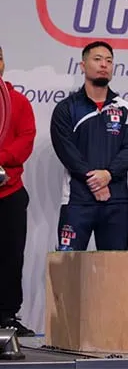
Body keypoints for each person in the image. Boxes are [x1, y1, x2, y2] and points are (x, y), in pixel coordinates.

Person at [50, 41, 128, 252]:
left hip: (115, 202)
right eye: (97, 59)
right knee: (68, 266)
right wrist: (95, 182)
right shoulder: (66, 108)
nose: (104, 65)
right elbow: (66, 150)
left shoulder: (126, 109)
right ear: (83, 66)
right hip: (77, 201)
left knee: (114, 268)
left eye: (109, 61)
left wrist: (108, 175)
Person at [0, 46, 37, 337]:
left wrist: (0, 160)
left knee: (11, 257)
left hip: (9, 193)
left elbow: (26, 139)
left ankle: (7, 316)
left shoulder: (19, 102)